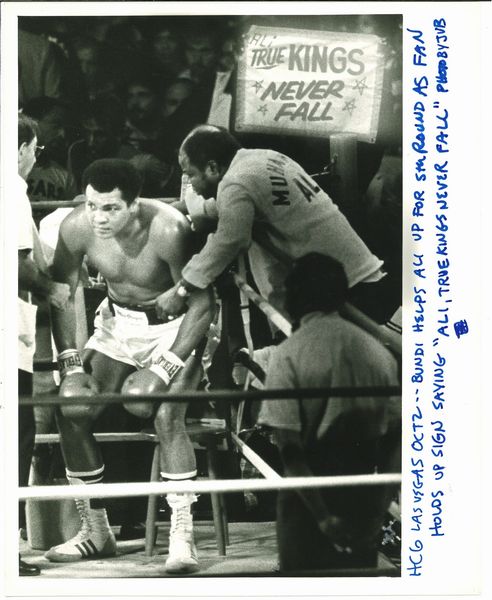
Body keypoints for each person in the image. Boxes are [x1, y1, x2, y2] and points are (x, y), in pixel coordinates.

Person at [47, 158, 215, 574]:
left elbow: (203, 306)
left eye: (111, 208)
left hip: (177, 330)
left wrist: (166, 367)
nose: (99, 218)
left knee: (162, 412)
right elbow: (61, 294)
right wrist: (70, 361)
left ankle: (182, 534)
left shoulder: (169, 229)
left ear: (135, 203)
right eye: (92, 206)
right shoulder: (76, 227)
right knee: (72, 407)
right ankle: (96, 531)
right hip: (119, 326)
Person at [156, 125, 389, 324]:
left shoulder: (236, 181)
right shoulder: (263, 158)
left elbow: (231, 240)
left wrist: (182, 289)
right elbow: (230, 208)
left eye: (192, 175)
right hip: (361, 278)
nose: (191, 185)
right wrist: (177, 209)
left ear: (213, 167)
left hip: (350, 293)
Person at [257, 252, 401, 572]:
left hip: (308, 499)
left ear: (295, 296)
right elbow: (397, 441)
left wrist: (322, 516)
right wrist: (378, 508)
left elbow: (289, 448)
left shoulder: (288, 354)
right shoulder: (379, 354)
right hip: (362, 491)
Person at [17, 114, 71, 575]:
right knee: (16, 437)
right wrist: (53, 289)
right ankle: (7, 548)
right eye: (34, 149)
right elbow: (18, 264)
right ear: (21, 148)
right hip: (8, 333)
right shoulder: (12, 188)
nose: (36, 159)